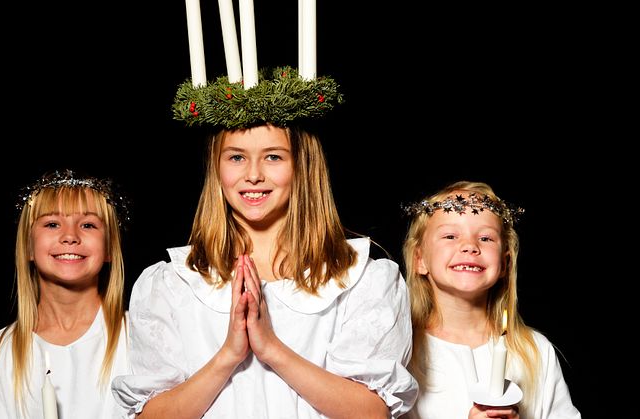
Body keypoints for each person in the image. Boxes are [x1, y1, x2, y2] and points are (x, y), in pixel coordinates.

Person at [111, 123, 418, 418]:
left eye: (273, 157)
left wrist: (272, 349)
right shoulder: (172, 284)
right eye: (236, 157)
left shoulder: (360, 279)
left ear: (303, 166)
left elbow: (371, 413)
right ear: (216, 169)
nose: (253, 175)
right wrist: (228, 356)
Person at [0, 169, 131, 419]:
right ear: (28, 246)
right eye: (52, 224)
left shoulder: (139, 337)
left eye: (88, 225)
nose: (70, 236)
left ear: (110, 248)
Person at [401, 180, 580, 419]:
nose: (469, 246)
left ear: (505, 263)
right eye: (450, 235)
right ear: (419, 259)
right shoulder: (401, 352)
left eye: (486, 238)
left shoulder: (534, 351)